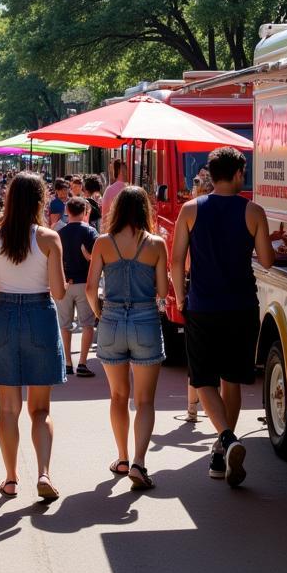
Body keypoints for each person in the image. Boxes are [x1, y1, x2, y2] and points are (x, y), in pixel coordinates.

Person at [170, 146, 275, 488]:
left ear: (210, 175)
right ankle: (223, 450)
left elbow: (177, 262)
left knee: (203, 379)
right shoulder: (254, 211)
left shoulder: (190, 210)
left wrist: (181, 296)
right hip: (242, 306)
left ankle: (226, 442)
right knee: (232, 379)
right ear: (239, 174)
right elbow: (268, 261)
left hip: (202, 305)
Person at [0, 172, 67, 501]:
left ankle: (10, 479)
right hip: (40, 315)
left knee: (8, 410)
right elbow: (58, 291)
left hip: (3, 315)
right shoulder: (50, 238)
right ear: (41, 201)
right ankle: (44, 473)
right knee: (40, 410)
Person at [86, 187, 169, 489]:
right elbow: (162, 292)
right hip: (146, 319)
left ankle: (121, 457)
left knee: (118, 396)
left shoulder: (103, 243)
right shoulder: (156, 244)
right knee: (144, 400)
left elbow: (90, 287)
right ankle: (139, 462)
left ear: (117, 209)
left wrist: (100, 314)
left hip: (111, 319)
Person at [55, 196, 98, 377]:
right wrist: (87, 256)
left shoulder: (59, 233)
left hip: (65, 282)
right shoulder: (90, 232)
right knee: (87, 324)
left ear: (67, 212)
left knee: (64, 325)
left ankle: (67, 362)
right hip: (84, 283)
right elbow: (97, 259)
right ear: (84, 212)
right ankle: (82, 362)